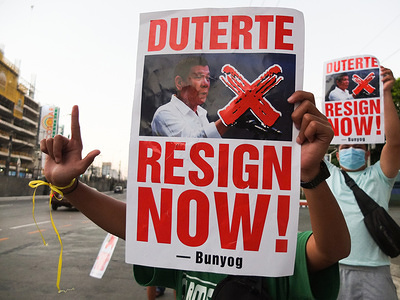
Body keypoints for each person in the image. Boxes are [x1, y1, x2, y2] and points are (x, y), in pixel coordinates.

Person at [40, 91, 350, 299]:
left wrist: (311, 176)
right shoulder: (191, 240)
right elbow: (135, 223)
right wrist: (70, 188)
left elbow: (331, 248)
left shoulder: (271, 248)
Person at [325, 66, 400, 300]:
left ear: (368, 155)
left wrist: (385, 93)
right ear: (336, 155)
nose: (352, 149)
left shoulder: (379, 176)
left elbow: (395, 143)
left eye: (359, 146)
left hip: (376, 272)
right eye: (345, 147)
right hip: (333, 269)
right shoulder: (328, 174)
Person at [151, 56, 229, 138]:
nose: (205, 83)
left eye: (208, 78)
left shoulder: (201, 113)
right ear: (180, 82)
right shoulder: (164, 113)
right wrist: (226, 120)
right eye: (198, 77)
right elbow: (190, 145)